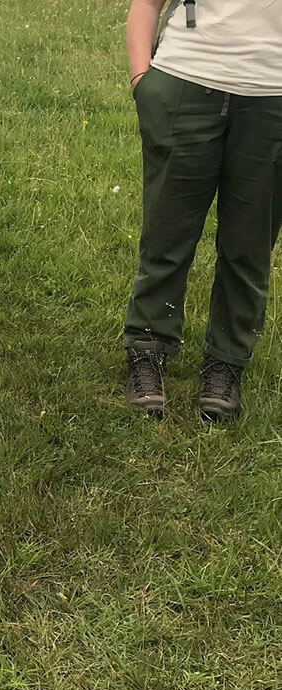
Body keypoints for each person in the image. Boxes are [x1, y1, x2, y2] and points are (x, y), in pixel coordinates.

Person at [122, 0, 282, 423]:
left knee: (250, 246)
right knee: (166, 234)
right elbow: (147, 4)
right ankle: (147, 349)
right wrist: (143, 79)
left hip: (273, 97)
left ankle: (225, 363)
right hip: (185, 81)